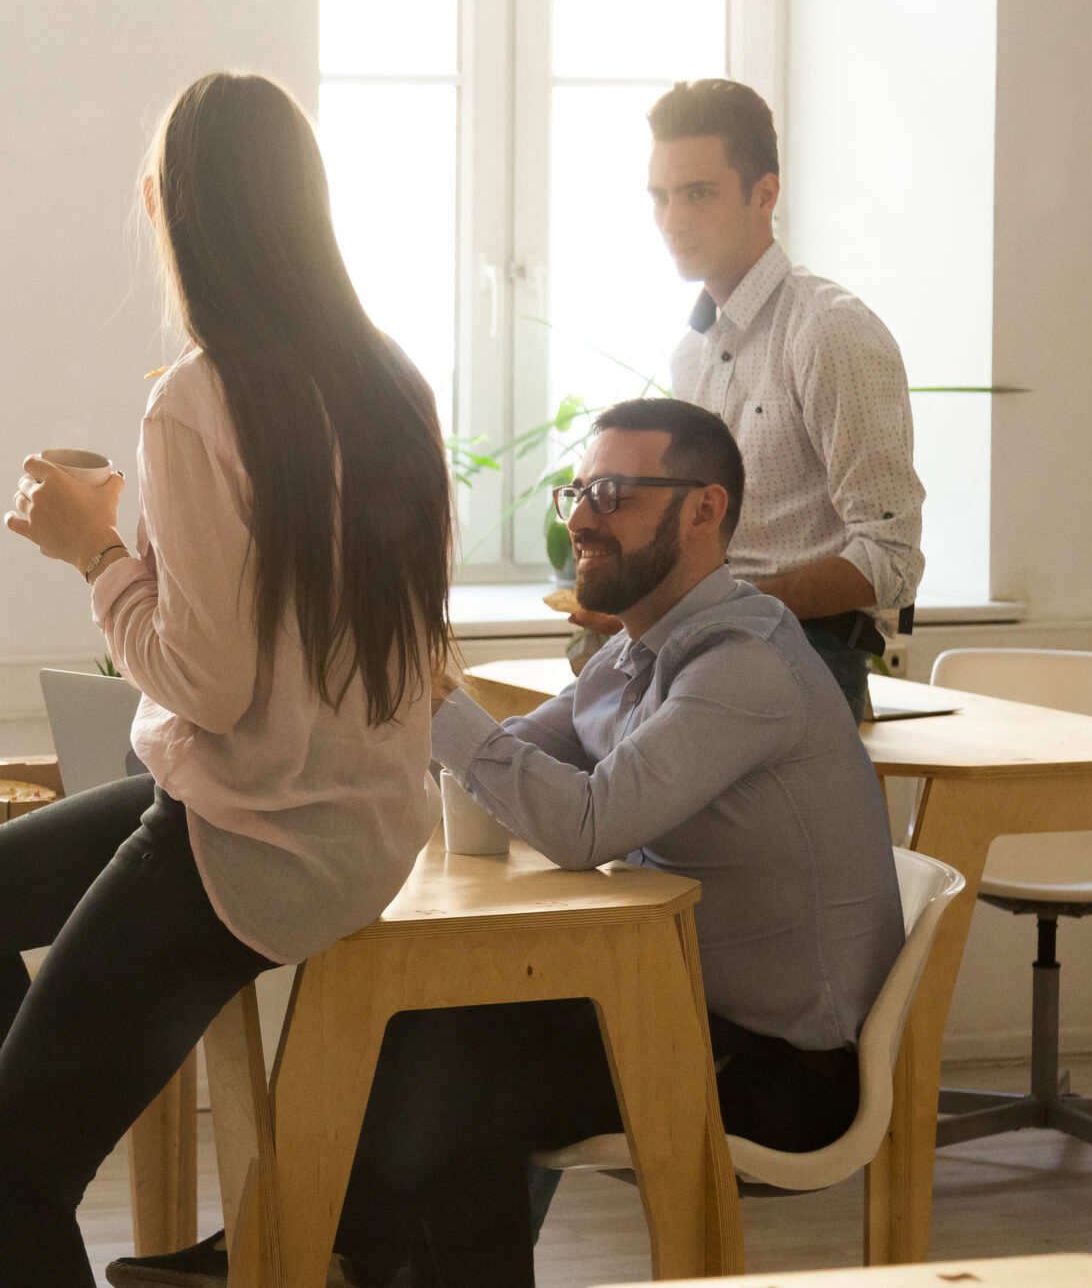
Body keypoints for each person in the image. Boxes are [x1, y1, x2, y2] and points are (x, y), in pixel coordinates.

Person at [0, 72, 452, 1288]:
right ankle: (38, 1133)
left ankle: (27, 1174)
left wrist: (93, 552)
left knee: (3, 1177)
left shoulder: (200, 401)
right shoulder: (394, 384)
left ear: (176, 213)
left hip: (250, 835)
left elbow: (201, 683)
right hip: (365, 822)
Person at [334, 398, 904, 1288]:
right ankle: (340, 1258)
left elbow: (586, 822)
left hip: (782, 1070)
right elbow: (521, 762)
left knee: (459, 1085)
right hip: (674, 1006)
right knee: (424, 1024)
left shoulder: (741, 664)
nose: (583, 519)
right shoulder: (636, 650)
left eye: (614, 492)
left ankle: (328, 1260)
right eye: (577, 492)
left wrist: (427, 699)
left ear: (705, 510)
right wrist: (409, 701)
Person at [575, 78, 925, 722]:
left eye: (699, 194)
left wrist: (726, 606)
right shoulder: (692, 351)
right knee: (552, 728)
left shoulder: (830, 331)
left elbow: (891, 560)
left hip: (805, 654)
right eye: (661, 197)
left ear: (765, 193)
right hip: (707, 647)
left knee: (585, 778)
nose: (673, 220)